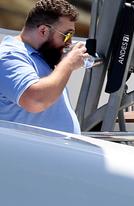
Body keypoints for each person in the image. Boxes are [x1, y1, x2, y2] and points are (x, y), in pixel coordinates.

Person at [0, 0, 87, 133]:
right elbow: (36, 101)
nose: (69, 42)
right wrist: (68, 63)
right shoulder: (9, 55)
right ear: (43, 31)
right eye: (67, 35)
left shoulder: (41, 56)